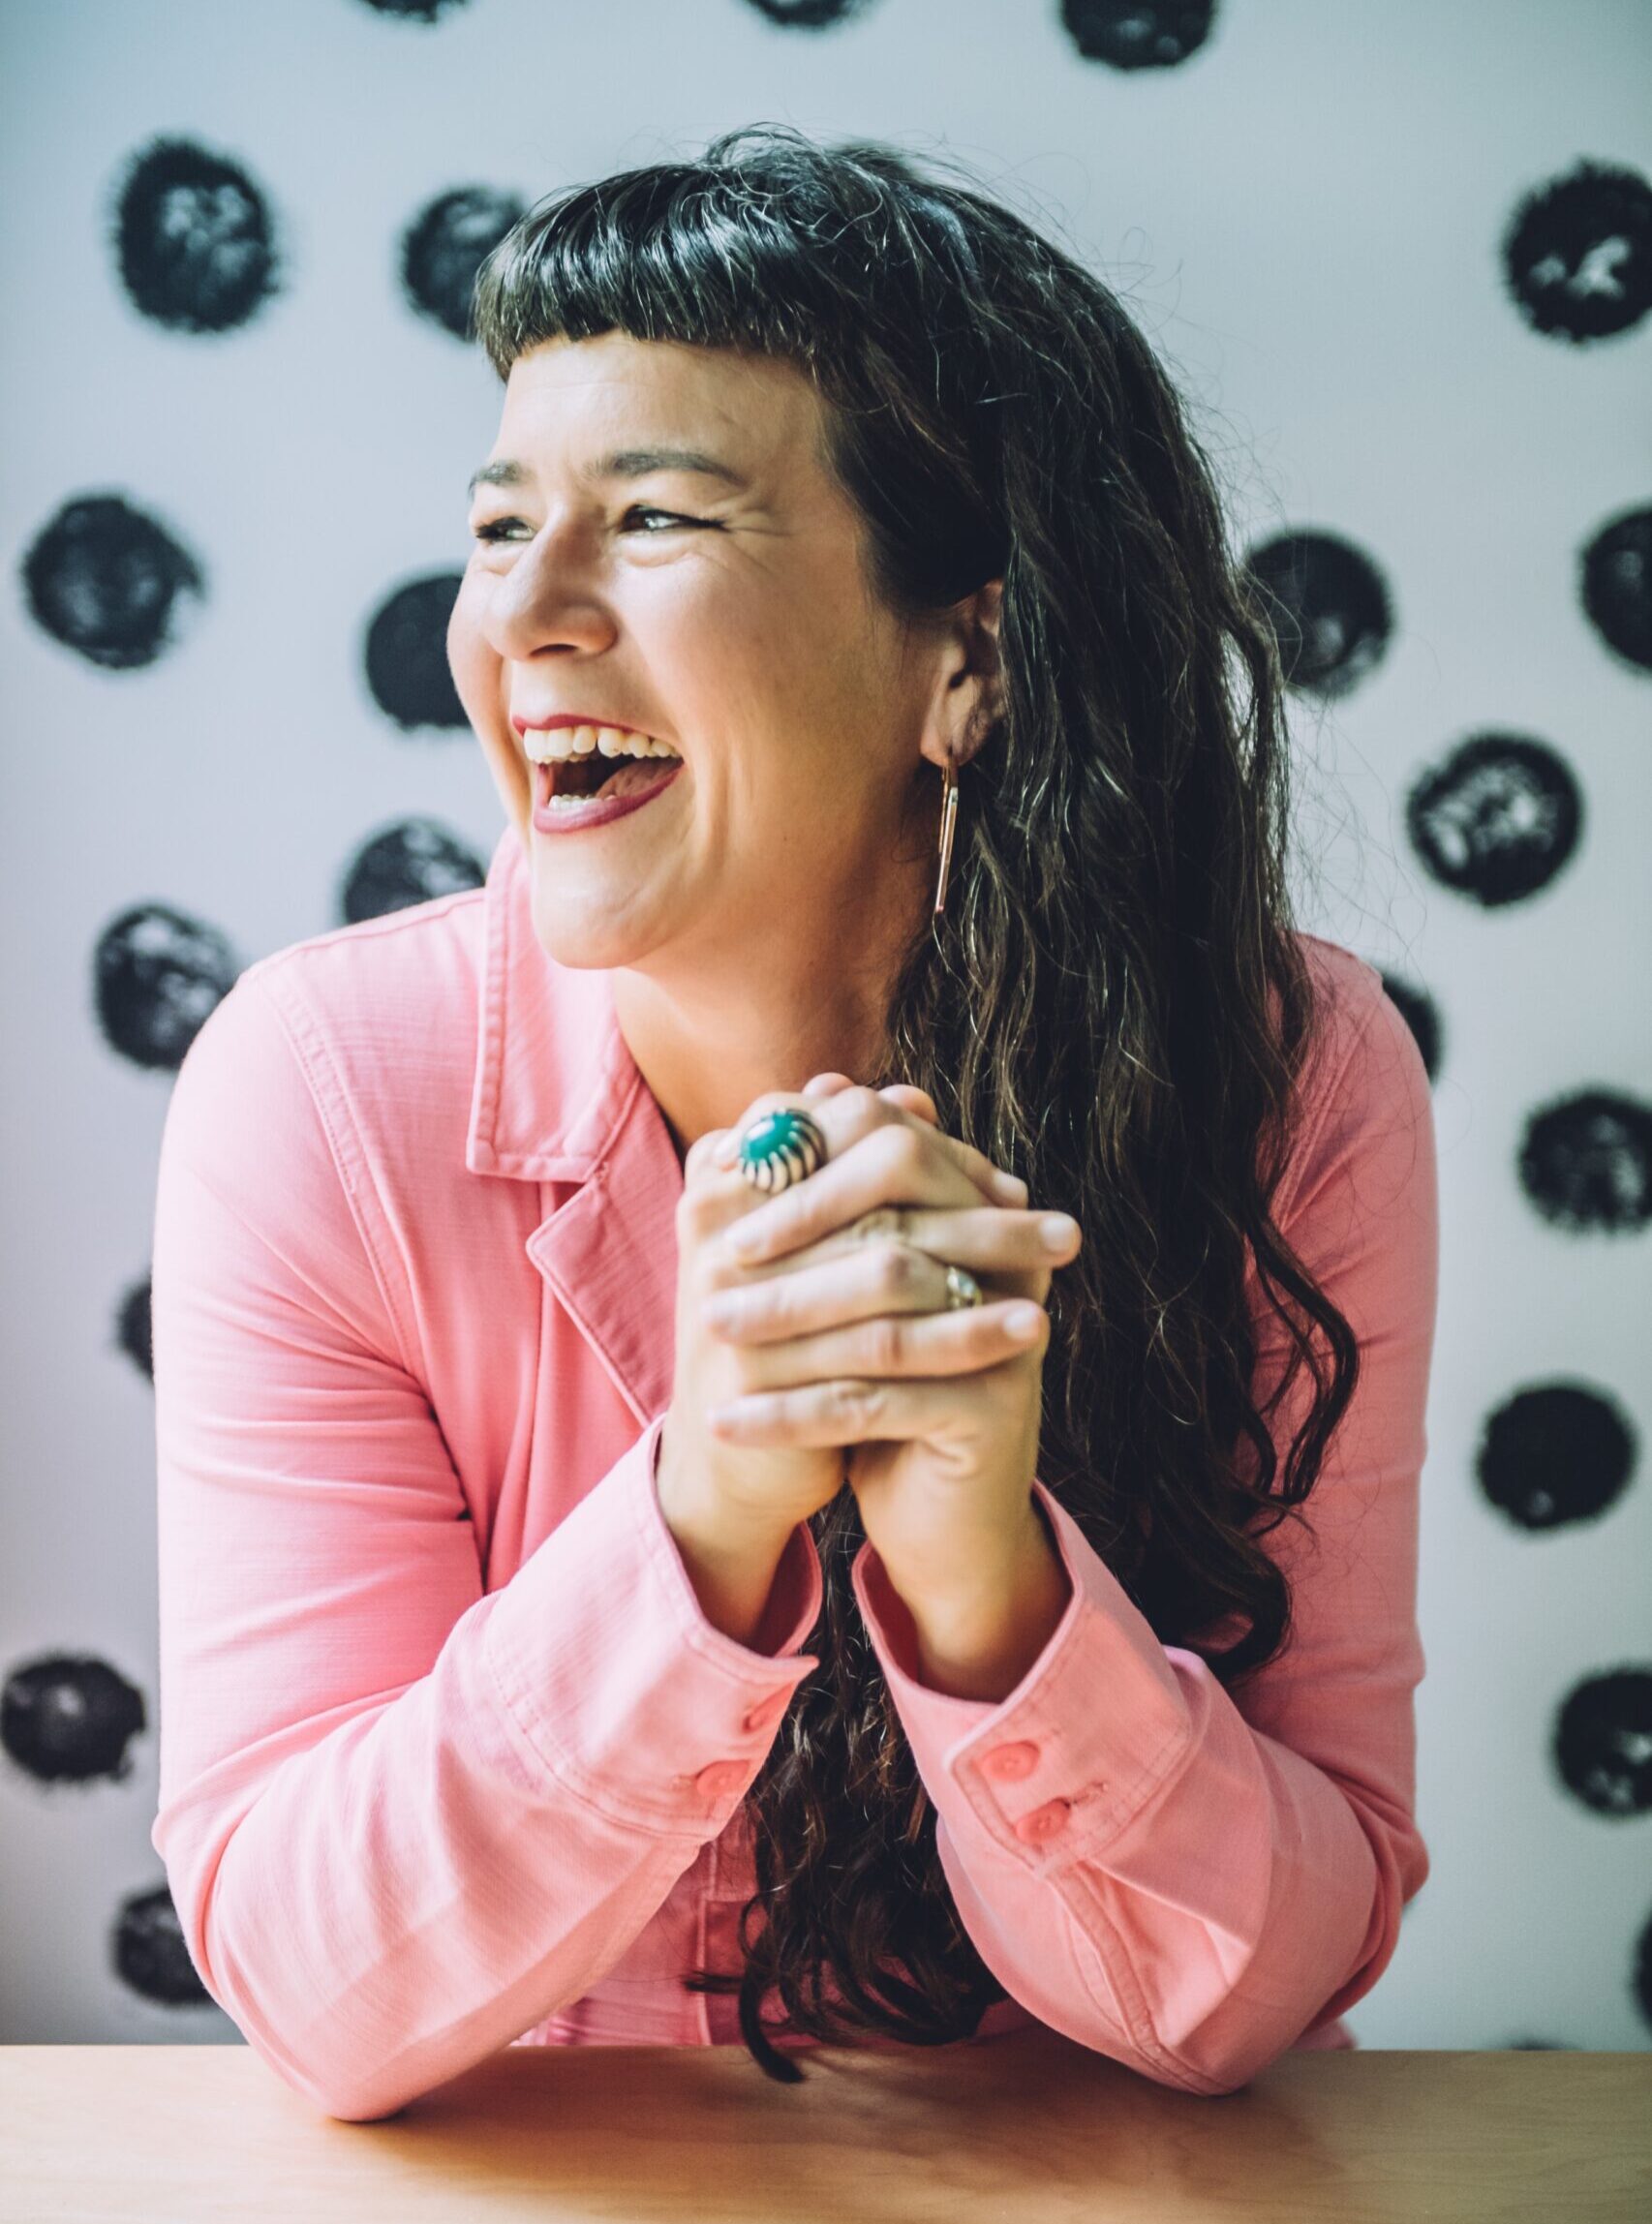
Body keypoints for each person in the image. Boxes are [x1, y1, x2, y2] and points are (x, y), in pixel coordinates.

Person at [149, 128, 1438, 2122]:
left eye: (652, 516)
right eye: (501, 528)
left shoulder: (1299, 1077)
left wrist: (983, 1580)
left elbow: (1255, 1988)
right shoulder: (318, 1090)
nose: (519, 620)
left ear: (971, 657)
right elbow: (319, 1991)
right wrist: (702, 1516)